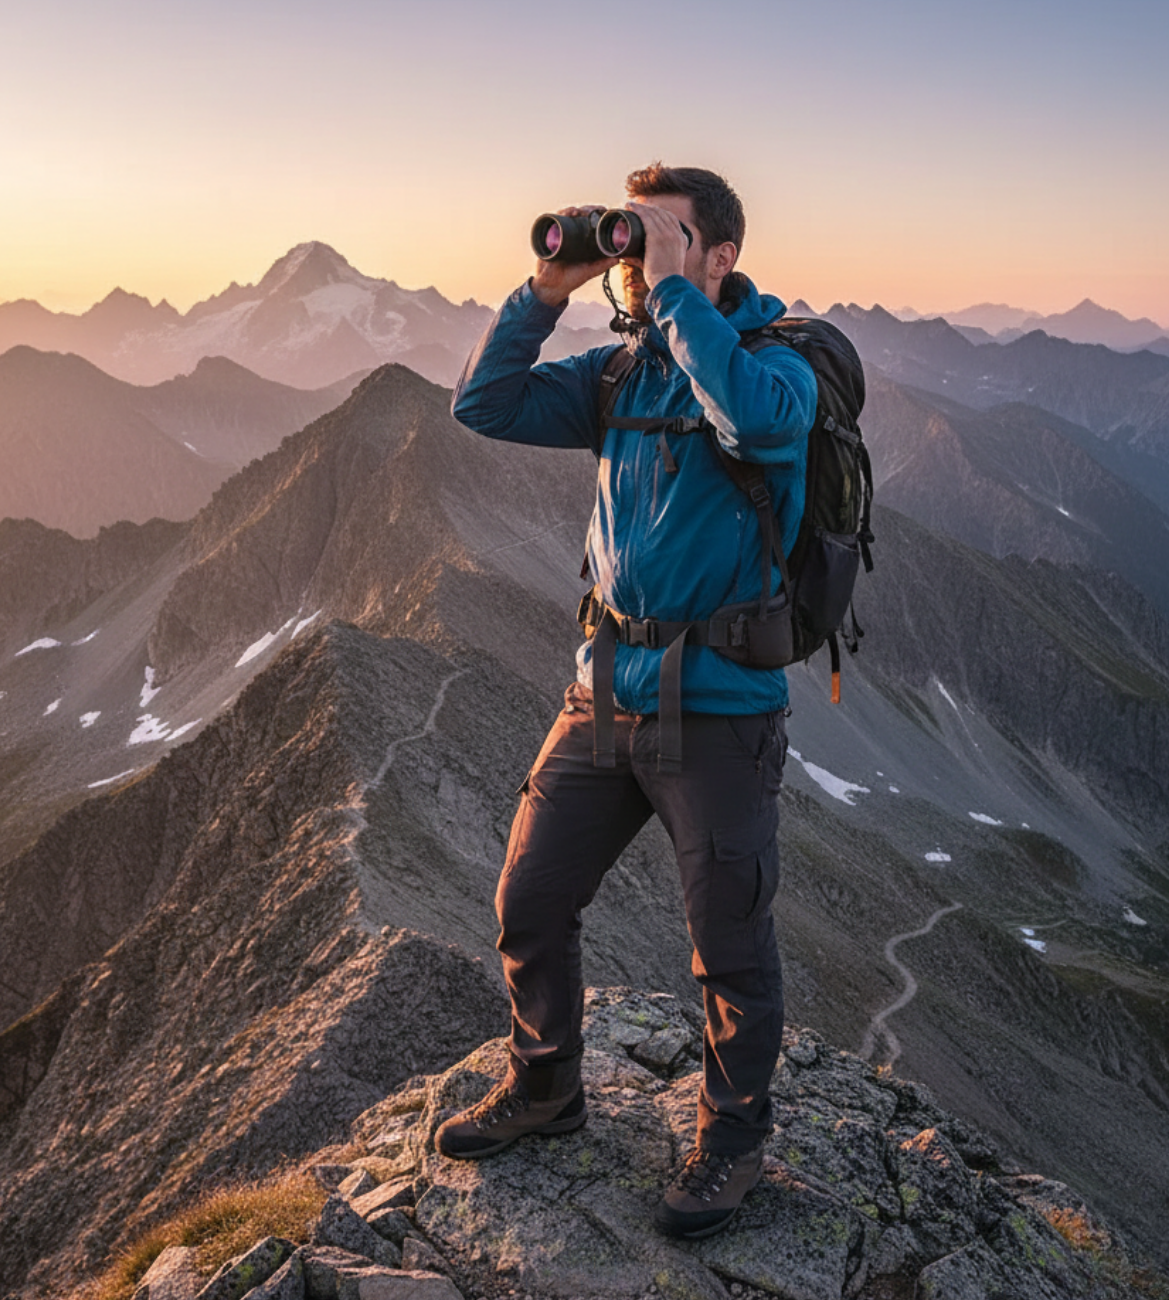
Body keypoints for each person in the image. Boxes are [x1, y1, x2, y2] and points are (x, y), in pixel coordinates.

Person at [437, 163, 818, 1240]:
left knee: (728, 942)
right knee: (528, 899)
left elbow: (748, 420)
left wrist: (675, 294)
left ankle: (732, 1140)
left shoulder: (780, 366)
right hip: (604, 689)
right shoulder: (618, 376)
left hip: (722, 705)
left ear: (720, 255)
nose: (641, 259)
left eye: (665, 236)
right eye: (635, 239)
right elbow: (486, 401)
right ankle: (547, 1088)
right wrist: (548, 288)